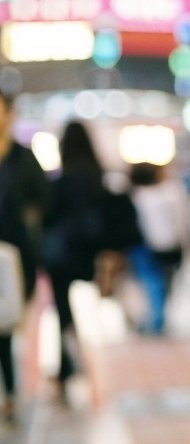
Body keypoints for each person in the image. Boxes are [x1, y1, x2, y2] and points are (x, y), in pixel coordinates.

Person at [42, 120, 138, 393]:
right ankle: (96, 361)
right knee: (99, 307)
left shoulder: (64, 179)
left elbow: (51, 215)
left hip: (64, 255)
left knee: (64, 312)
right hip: (93, 252)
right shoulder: (99, 175)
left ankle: (67, 367)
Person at [0, 92, 49, 420]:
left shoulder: (24, 159)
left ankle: (12, 393)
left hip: (15, 258)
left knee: (4, 325)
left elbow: (43, 202)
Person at [126, 162, 190, 334]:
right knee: (162, 283)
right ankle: (158, 319)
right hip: (168, 245)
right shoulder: (171, 193)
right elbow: (182, 220)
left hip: (144, 246)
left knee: (151, 283)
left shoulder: (135, 196)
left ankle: (155, 319)